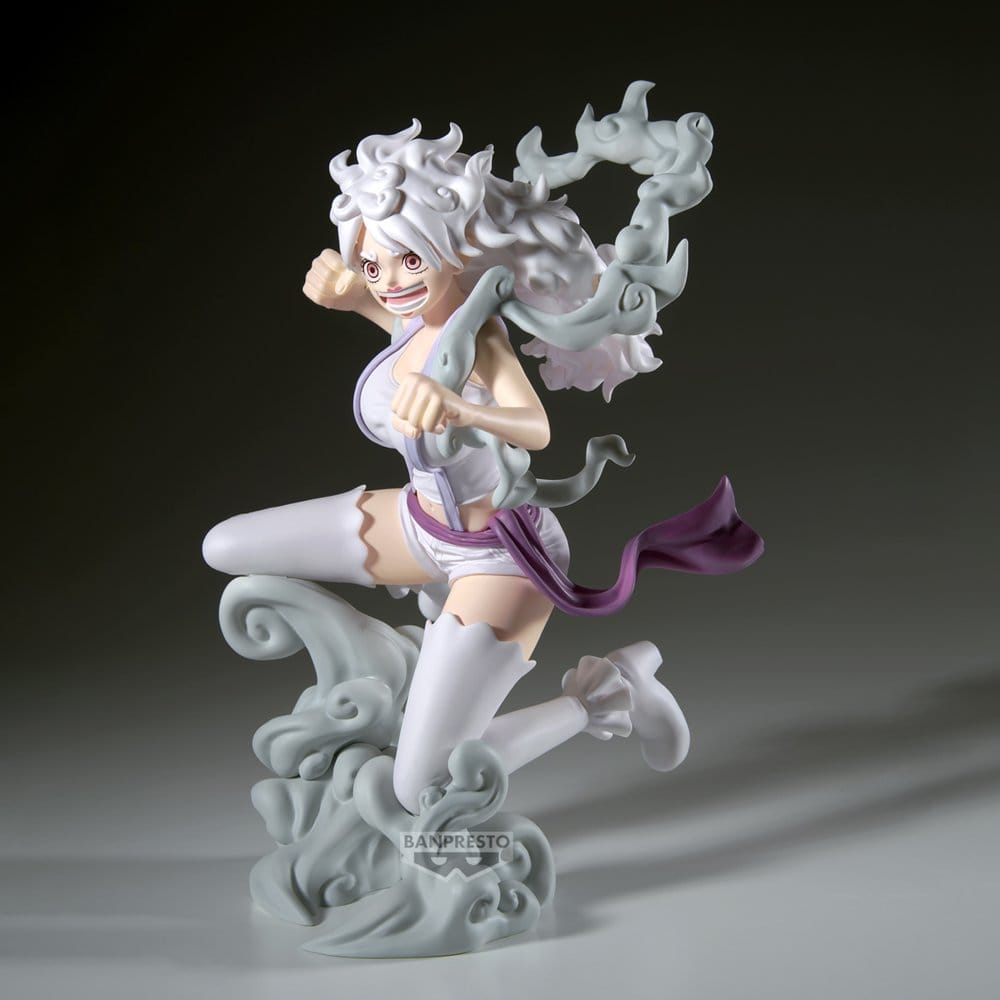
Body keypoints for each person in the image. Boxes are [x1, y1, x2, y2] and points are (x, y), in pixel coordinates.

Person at [203, 94, 762, 814]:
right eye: (373, 263)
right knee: (226, 547)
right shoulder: (413, 320)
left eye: (409, 259)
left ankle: (610, 692)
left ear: (450, 250)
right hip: (419, 524)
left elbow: (535, 429)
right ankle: (409, 681)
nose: (391, 281)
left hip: (501, 554)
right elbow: (412, 334)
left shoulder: (484, 337)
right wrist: (357, 302)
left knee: (421, 786)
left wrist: (461, 409)